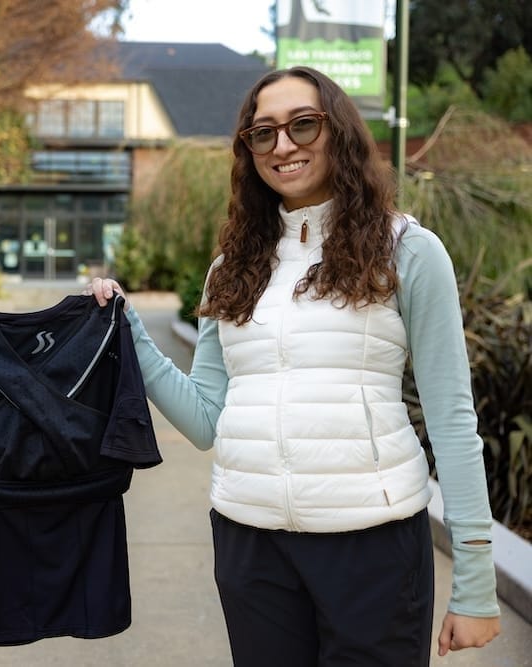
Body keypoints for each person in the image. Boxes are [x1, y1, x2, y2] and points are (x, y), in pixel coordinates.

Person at [88, 66, 501, 665]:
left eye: (303, 125)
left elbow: (452, 417)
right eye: (263, 134)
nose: (283, 145)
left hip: (373, 543)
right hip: (249, 543)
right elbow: (207, 420)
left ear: (339, 133)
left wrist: (476, 580)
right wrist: (131, 335)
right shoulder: (230, 268)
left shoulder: (407, 250)